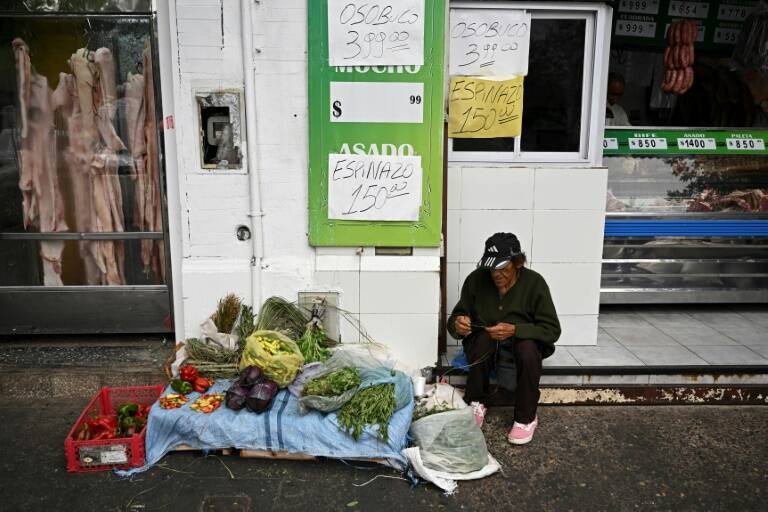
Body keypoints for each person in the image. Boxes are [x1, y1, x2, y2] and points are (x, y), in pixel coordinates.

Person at [447, 232, 561, 445]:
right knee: (481, 341)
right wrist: (458, 324)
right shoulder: (476, 280)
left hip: (520, 342)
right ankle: (476, 401)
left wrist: (515, 330)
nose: (496, 274)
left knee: (528, 350)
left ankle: (525, 418)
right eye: (492, 268)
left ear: (517, 262)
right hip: (487, 343)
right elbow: (455, 318)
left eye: (502, 268)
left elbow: (552, 330)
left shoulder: (535, 283)